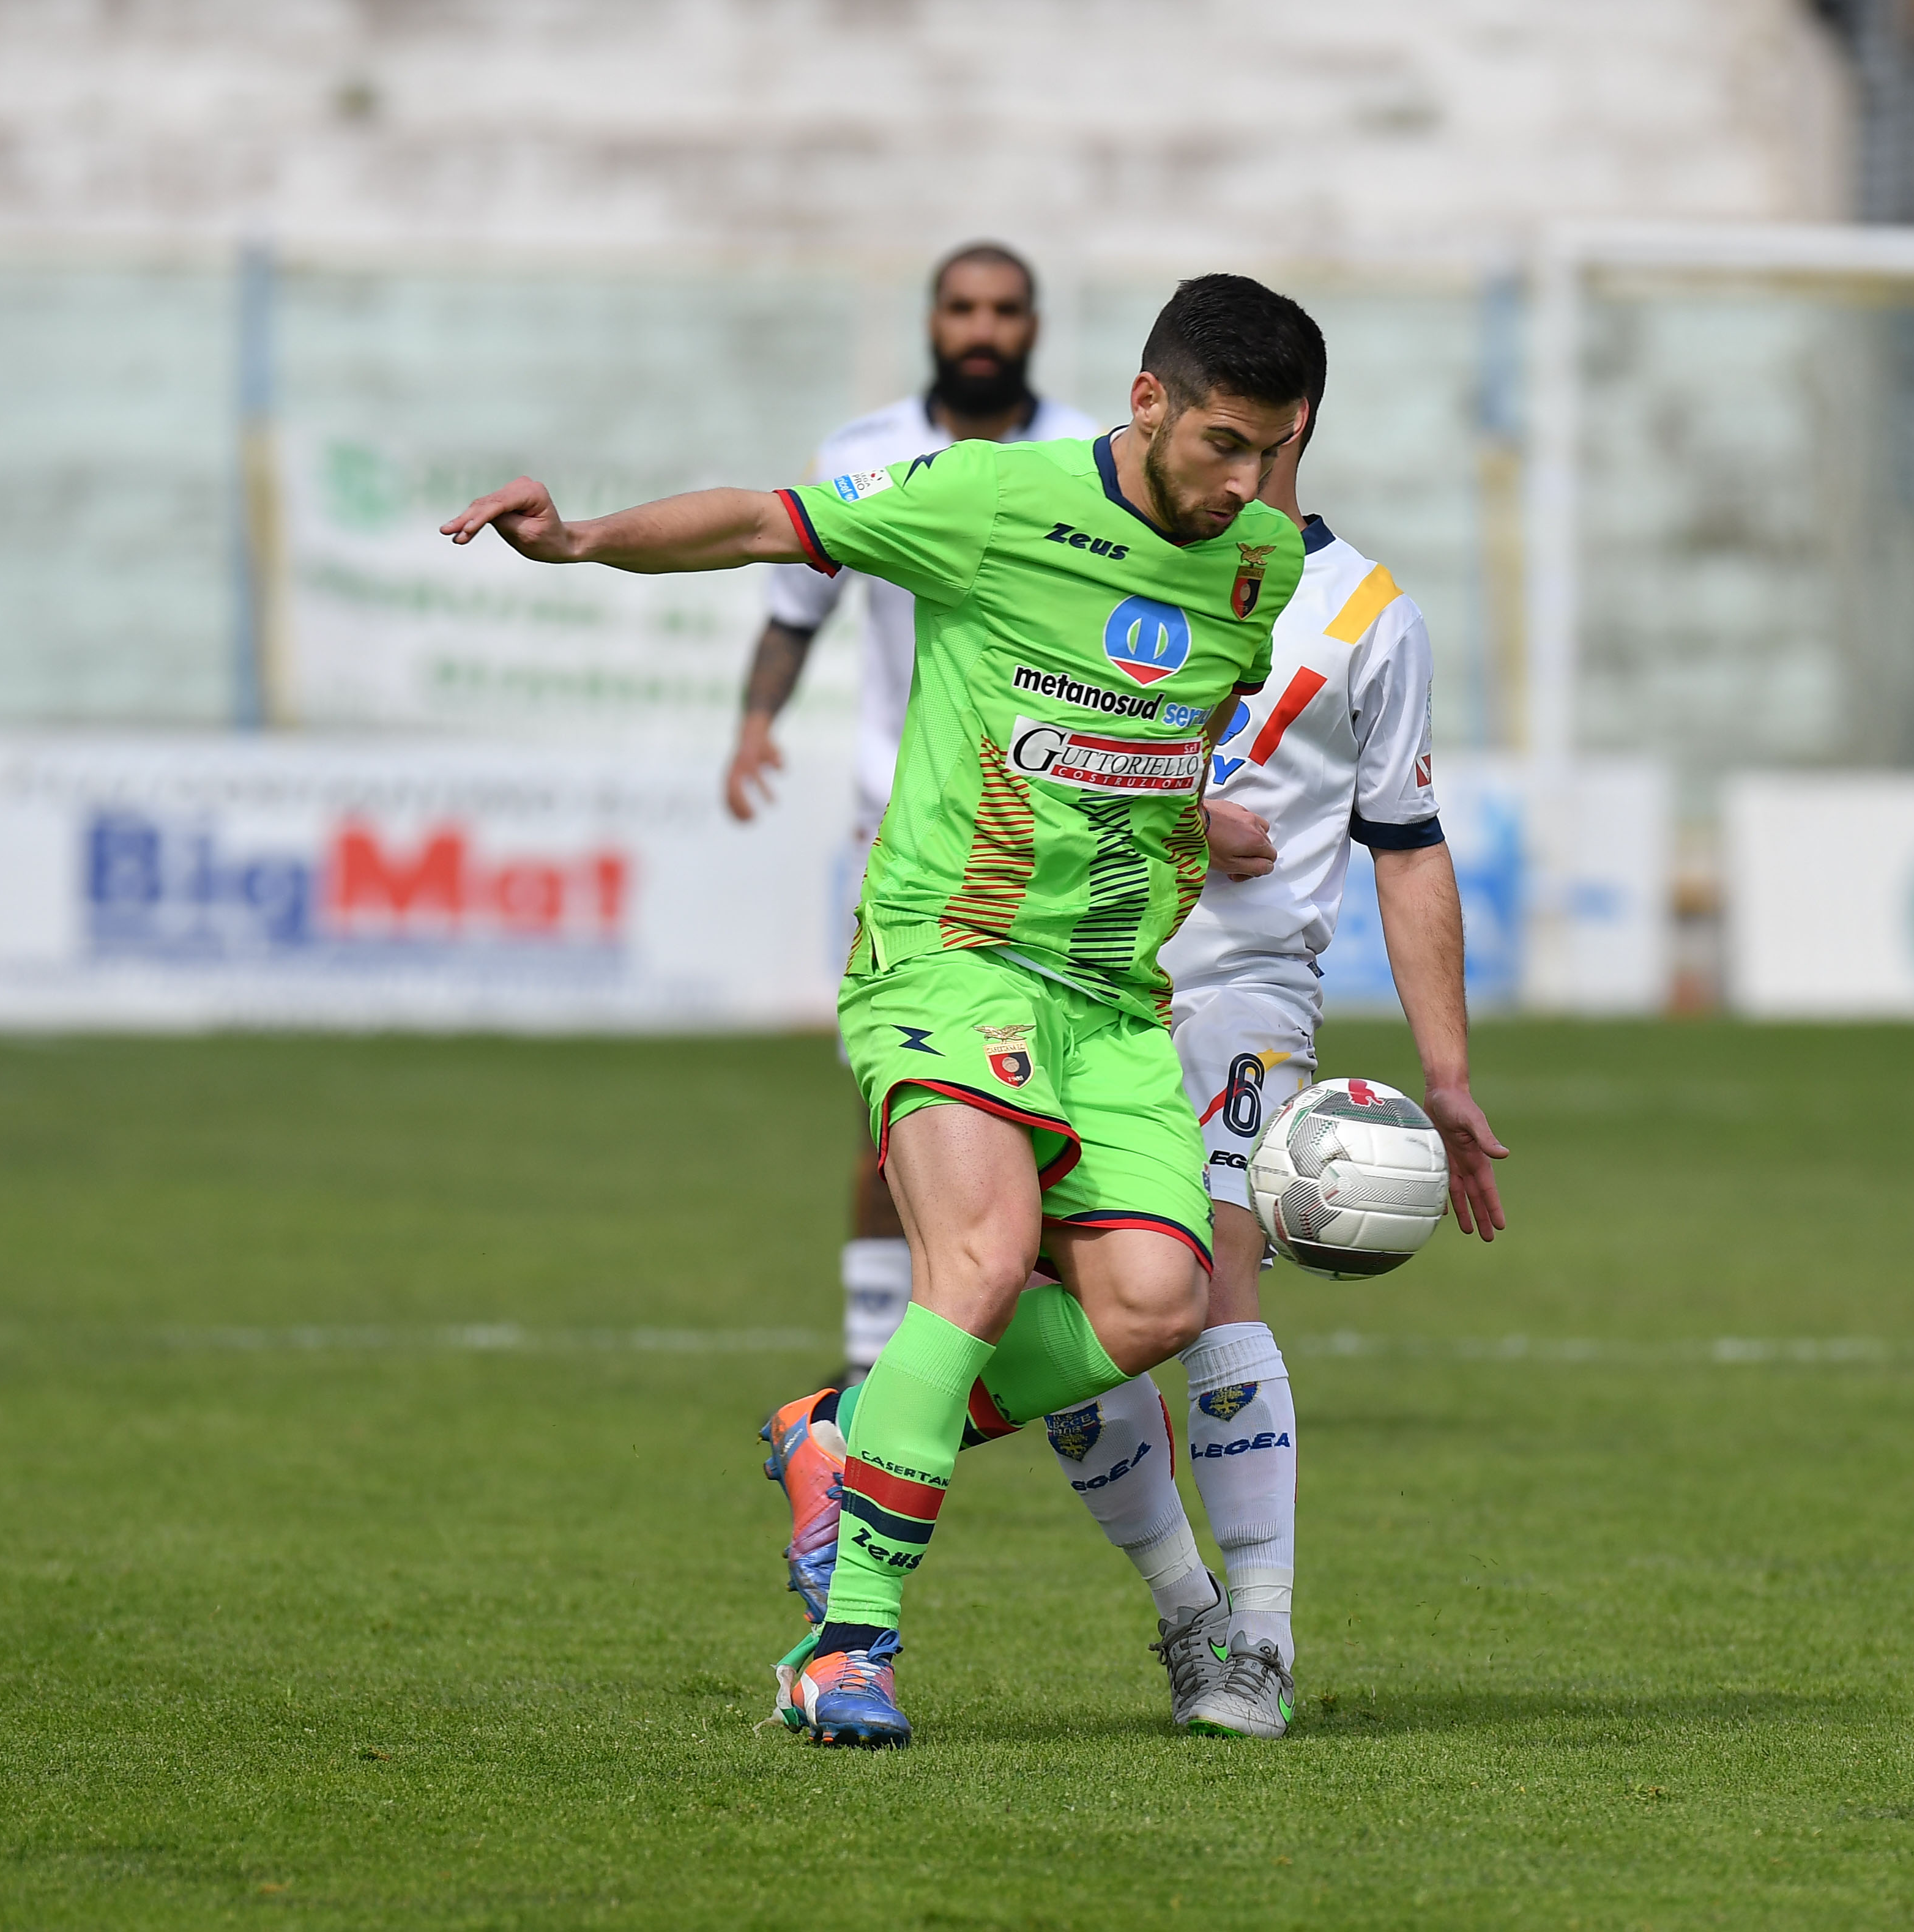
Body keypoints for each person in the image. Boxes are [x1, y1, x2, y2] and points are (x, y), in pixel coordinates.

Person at [443, 273, 1324, 1748]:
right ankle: (846, 1647)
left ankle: (839, 1436)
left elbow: (1143, 733)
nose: (1249, 484)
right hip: (946, 954)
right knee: (974, 1267)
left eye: (1278, 451)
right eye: (1226, 444)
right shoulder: (987, 497)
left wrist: (1194, 808)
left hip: (1109, 999)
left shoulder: (1260, 568)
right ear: (1149, 403)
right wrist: (584, 539)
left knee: (1154, 1306)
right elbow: (766, 521)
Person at [1038, 363, 1512, 1740]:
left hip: (1239, 988)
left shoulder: (1366, 612)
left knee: (1214, 1276)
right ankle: (1185, 1607)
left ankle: (1260, 1633)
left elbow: (1407, 852)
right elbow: (1004, 745)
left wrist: (1449, 1077)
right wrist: (1183, 809)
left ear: (1286, 421)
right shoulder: (1083, 549)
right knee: (1081, 1315)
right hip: (1056, 972)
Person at [720, 242, 1100, 1393]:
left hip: (1066, 842)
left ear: (1033, 324)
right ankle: (867, 1350)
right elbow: (797, 603)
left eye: (1003, 309)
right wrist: (754, 724)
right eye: (961, 308)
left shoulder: (1091, 458)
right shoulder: (863, 456)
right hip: (903, 832)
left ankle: (1017, 1355)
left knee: (1059, 1113)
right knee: (892, 1107)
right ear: (932, 321)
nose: (981, 328)